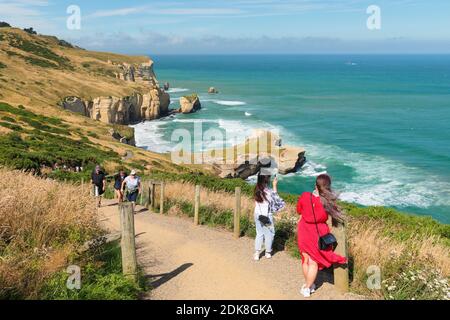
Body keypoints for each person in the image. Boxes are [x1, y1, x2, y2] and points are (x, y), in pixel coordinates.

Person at [296, 174, 347, 298]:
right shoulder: (328, 202)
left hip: (304, 230)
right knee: (313, 262)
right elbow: (335, 217)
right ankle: (308, 287)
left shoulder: (305, 196)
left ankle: (308, 285)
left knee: (306, 259)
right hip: (319, 232)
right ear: (328, 187)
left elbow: (299, 210)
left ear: (315, 185)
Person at [253, 174, 285, 261]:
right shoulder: (268, 192)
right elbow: (278, 202)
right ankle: (267, 252)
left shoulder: (256, 189)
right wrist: (275, 186)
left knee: (259, 233)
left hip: (257, 215)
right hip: (267, 216)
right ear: (267, 180)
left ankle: (256, 253)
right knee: (270, 234)